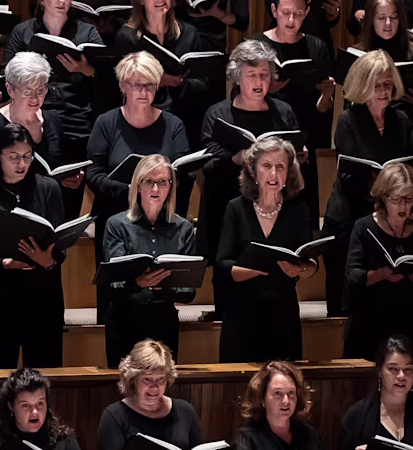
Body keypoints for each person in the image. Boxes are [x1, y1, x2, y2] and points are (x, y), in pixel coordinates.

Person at [199, 39, 301, 314]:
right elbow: (207, 161)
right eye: (252, 75)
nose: (259, 82)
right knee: (229, 278)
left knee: (274, 279)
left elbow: (294, 154)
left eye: (264, 75)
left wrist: (296, 157)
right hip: (228, 206)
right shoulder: (218, 113)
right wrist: (235, 159)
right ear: (237, 76)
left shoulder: (283, 112)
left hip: (272, 207)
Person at [0, 123, 66, 368]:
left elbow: (60, 245)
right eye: (14, 157)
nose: (22, 164)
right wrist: (2, 263)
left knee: (43, 376)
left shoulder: (49, 188)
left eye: (27, 156)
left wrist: (49, 261)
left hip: (41, 300)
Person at [87, 52, 190, 308]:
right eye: (136, 84)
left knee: (159, 298)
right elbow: (94, 174)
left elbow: (181, 172)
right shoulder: (106, 122)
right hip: (115, 221)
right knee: (115, 296)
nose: (143, 92)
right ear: (123, 86)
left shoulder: (173, 125)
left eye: (150, 85)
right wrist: (134, 191)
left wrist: (153, 190)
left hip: (159, 223)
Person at [4, 0, 104, 217]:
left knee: (68, 197)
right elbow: (6, 75)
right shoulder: (23, 32)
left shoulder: (87, 32)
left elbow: (107, 81)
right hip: (33, 123)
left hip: (75, 124)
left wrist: (86, 69)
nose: (62, 1)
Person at [324, 51, 413, 318]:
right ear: (363, 85)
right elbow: (348, 174)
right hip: (350, 214)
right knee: (346, 294)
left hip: (389, 216)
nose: (384, 91)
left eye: (388, 84)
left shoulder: (401, 121)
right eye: (377, 85)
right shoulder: (348, 120)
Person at [217, 137, 316, 363]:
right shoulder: (236, 208)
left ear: (289, 172)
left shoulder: (298, 210)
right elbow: (222, 265)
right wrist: (255, 269)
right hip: (242, 314)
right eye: (266, 166)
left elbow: (311, 265)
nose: (273, 174)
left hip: (283, 314)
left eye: (280, 167)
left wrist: (299, 270)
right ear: (253, 171)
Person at [104, 155, 199, 367]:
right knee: (125, 382)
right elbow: (114, 283)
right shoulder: (117, 225)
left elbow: (189, 291)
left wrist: (161, 287)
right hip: (124, 320)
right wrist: (138, 283)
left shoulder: (183, 228)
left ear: (171, 186)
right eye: (149, 181)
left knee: (162, 381)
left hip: (163, 321)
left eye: (163, 182)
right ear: (138, 185)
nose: (156, 189)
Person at [113, 0, 212, 156]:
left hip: (184, 117)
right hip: (142, 121)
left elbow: (204, 84)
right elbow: (118, 85)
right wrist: (155, 81)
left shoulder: (189, 34)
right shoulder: (129, 37)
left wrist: (179, 82)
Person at [257, 0, 335, 221]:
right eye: (286, 13)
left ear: (307, 13)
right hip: (265, 136)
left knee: (301, 215)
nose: (291, 20)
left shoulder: (317, 47)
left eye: (298, 14)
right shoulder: (256, 45)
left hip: (303, 139)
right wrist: (265, 90)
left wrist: (327, 94)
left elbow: (321, 110)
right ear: (273, 10)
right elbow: (238, 98)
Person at [98, 340, 203, 450]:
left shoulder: (185, 410)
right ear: (133, 379)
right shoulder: (114, 415)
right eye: (147, 379)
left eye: (161, 379)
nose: (154, 387)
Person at [228, 362, 332, 450]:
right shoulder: (247, 437)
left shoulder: (309, 433)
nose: (286, 401)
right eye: (278, 393)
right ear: (262, 399)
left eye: (291, 393)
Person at [343, 167, 413, 360]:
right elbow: (352, 277)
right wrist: (381, 274)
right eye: (396, 199)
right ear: (383, 197)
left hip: (409, 319)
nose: (403, 206)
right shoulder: (364, 227)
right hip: (370, 322)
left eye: (409, 198)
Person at [339, 335, 413, 450]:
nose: (401, 376)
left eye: (408, 369)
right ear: (380, 371)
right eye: (393, 369)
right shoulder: (357, 415)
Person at [0, 52, 65, 170]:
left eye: (40, 91)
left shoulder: (53, 120)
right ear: (10, 90)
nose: (35, 99)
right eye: (27, 92)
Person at [356, 0, 413, 117]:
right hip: (368, 121)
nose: (388, 23)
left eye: (394, 17)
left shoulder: (411, 52)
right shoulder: (359, 54)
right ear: (371, 20)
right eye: (381, 17)